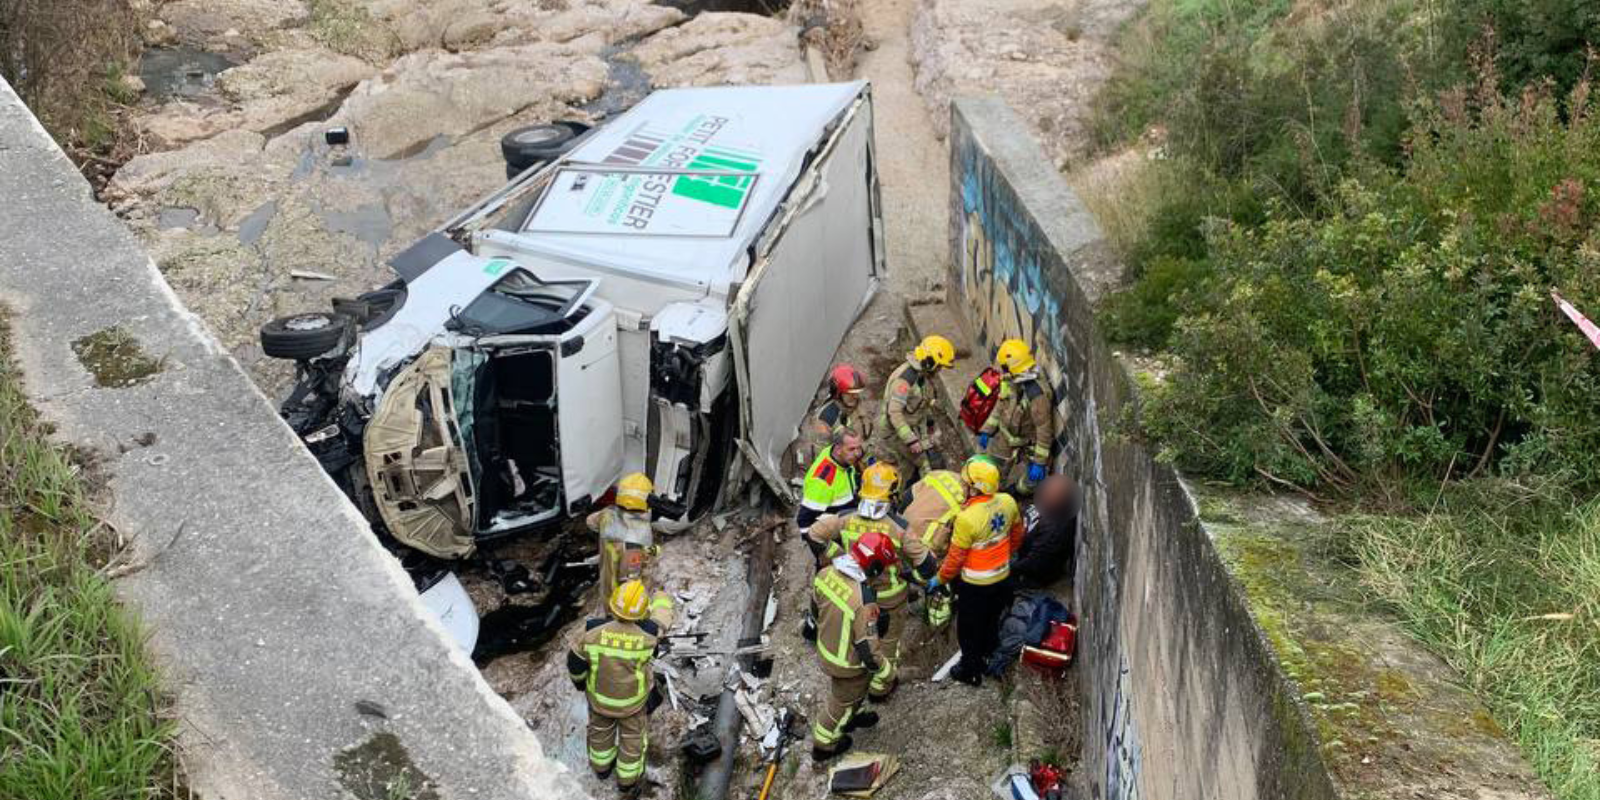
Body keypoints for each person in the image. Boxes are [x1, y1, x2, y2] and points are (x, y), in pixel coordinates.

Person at [805, 462, 938, 700]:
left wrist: (838, 556)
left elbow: (814, 533)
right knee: (887, 645)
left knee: (860, 638)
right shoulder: (899, 528)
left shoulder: (845, 518)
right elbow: (928, 567)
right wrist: (910, 571)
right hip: (890, 600)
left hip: (854, 592)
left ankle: (859, 675)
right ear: (893, 494)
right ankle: (880, 689)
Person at [568, 580, 676, 797]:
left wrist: (581, 684)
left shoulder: (591, 631)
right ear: (643, 611)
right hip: (633, 704)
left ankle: (601, 769)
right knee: (633, 740)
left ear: (612, 605)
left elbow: (575, 665)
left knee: (599, 734)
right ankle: (626, 781)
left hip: (600, 701)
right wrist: (662, 596)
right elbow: (662, 619)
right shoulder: (649, 635)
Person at [930, 455, 1023, 686]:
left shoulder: (967, 519)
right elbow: (1018, 535)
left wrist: (940, 578)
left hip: (975, 584)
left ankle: (971, 670)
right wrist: (1002, 556)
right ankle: (989, 651)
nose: (962, 485)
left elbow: (955, 558)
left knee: (968, 629)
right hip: (1002, 577)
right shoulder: (1008, 501)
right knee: (991, 619)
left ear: (974, 488)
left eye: (965, 482)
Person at [810, 529, 898, 762]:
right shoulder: (864, 601)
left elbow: (815, 610)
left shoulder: (826, 573)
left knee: (850, 697)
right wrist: (887, 672)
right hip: (848, 665)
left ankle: (852, 715)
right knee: (841, 703)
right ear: (875, 567)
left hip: (827, 648)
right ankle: (824, 744)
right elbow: (868, 651)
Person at [872, 334, 956, 482]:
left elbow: (921, 403)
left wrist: (929, 423)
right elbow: (895, 412)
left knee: (908, 467)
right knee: (925, 465)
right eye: (940, 366)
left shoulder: (921, 376)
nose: (940, 370)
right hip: (894, 432)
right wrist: (911, 440)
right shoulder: (905, 381)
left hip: (911, 426)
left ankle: (906, 487)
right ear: (929, 362)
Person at [977, 339, 1055, 495]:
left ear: (1012, 367)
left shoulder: (1037, 395)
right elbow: (1000, 406)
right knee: (993, 471)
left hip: (1029, 441)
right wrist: (987, 429)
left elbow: (1044, 429)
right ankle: (990, 495)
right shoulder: (1011, 380)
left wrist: (1039, 462)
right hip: (1006, 436)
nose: (1001, 370)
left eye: (1004, 367)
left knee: (1031, 484)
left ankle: (1015, 494)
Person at [588, 472, 655, 611]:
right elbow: (630, 582)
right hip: (619, 600)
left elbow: (590, 522)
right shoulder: (638, 538)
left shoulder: (607, 514)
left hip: (606, 578)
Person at [1014, 475, 1079, 590]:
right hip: (1015, 539)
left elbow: (1033, 563)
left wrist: (1004, 569)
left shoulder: (1054, 531)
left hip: (1024, 570)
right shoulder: (1047, 506)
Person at [797, 428, 865, 536]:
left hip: (848, 514)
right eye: (851, 449)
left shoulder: (839, 456)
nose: (857, 453)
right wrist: (825, 550)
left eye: (859, 447)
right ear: (838, 449)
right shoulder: (822, 482)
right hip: (835, 530)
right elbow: (804, 523)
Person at [804, 364, 871, 463]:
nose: (856, 397)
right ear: (838, 393)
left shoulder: (856, 404)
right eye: (850, 394)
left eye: (857, 393)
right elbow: (821, 452)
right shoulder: (826, 417)